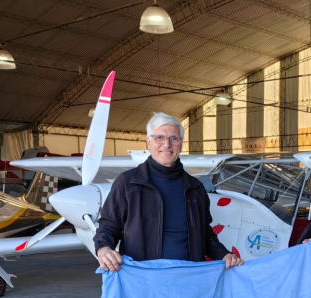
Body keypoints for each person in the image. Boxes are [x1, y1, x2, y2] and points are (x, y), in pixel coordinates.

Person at [94, 112, 243, 272]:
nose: (167, 144)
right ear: (148, 142)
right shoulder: (127, 182)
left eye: (174, 138)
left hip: (189, 279)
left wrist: (224, 254)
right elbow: (109, 225)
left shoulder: (195, 188)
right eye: (159, 138)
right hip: (144, 279)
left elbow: (205, 234)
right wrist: (103, 248)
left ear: (181, 144)